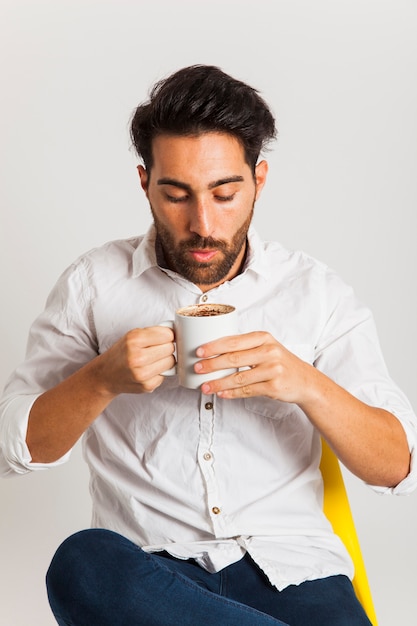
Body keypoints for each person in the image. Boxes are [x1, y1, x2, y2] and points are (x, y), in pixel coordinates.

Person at [0, 65, 416, 626]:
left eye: (225, 194)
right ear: (145, 182)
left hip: (294, 571)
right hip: (152, 575)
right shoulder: (93, 285)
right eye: (176, 194)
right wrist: (100, 379)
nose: (203, 224)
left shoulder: (314, 292)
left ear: (259, 180)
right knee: (81, 563)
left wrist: (306, 383)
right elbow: (16, 449)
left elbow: (396, 467)